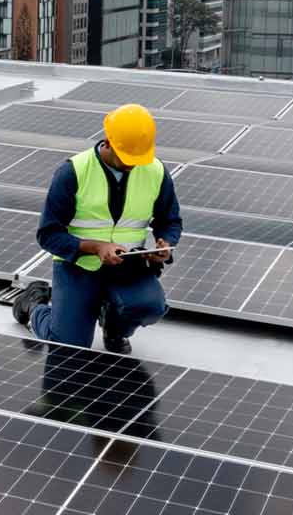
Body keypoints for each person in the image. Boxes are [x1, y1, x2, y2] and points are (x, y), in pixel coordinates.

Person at [11, 102, 182, 354]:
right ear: (108, 142)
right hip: (78, 267)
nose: (133, 165)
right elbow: (47, 234)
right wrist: (95, 248)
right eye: (127, 158)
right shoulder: (74, 172)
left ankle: (114, 327)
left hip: (126, 267)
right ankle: (34, 303)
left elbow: (169, 220)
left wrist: (164, 242)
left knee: (150, 305)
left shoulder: (155, 172)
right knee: (68, 345)